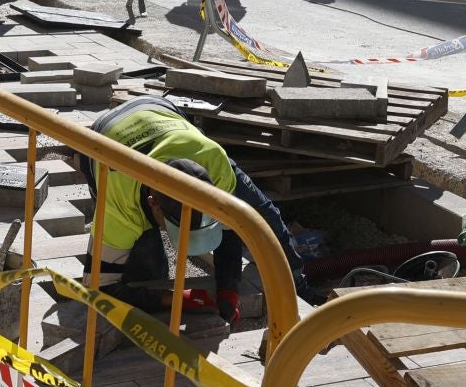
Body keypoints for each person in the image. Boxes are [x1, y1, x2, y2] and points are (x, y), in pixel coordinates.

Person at [81, 96, 325, 318]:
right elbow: (98, 288)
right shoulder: (119, 205)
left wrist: (228, 288)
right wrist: (174, 299)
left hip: (159, 111)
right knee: (145, 268)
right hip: (103, 136)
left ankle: (299, 287)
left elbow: (231, 229)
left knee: (264, 219)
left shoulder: (214, 161)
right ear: (152, 204)